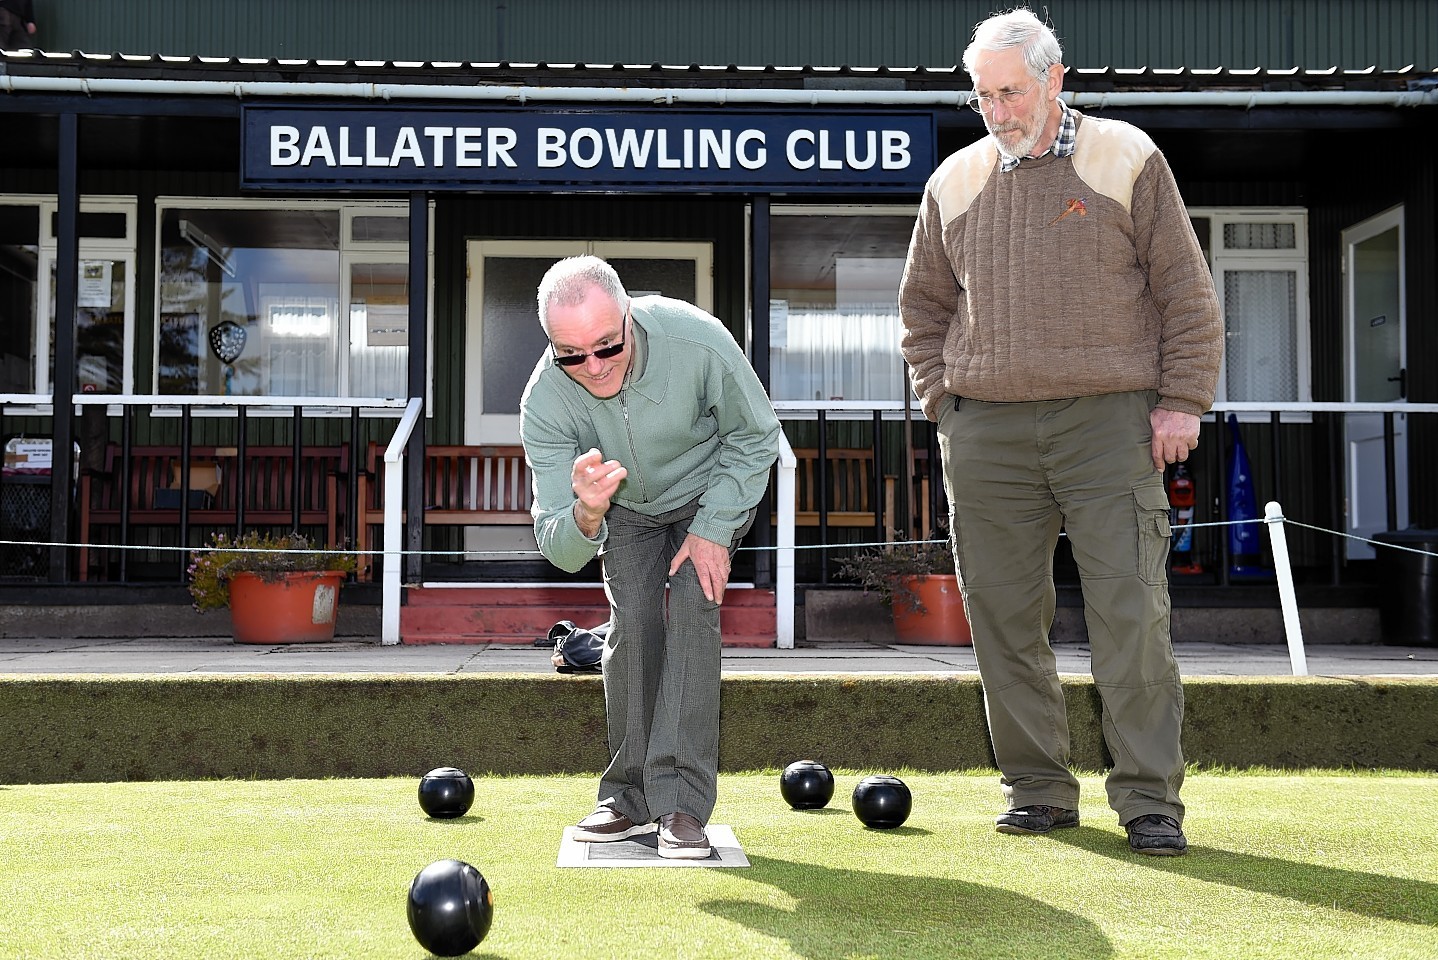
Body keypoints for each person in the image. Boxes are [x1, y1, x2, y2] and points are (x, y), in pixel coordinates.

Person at [898, 7, 1222, 857]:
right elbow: (922, 310)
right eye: (983, 96)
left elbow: (1187, 293)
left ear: (1055, 79)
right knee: (1004, 617)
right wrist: (943, 403)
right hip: (987, 432)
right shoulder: (954, 181)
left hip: (1110, 422)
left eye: (1011, 91)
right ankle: (1038, 789)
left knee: (1130, 613)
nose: (998, 110)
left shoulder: (1127, 156)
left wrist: (1182, 399)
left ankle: (1150, 799)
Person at [519, 255, 779, 859]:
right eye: (572, 354)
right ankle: (628, 797)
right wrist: (586, 512)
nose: (593, 366)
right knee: (634, 626)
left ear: (629, 316)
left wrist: (715, 528)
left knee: (693, 607)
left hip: (705, 492)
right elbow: (557, 546)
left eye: (607, 346)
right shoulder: (545, 402)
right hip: (624, 507)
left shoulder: (698, 340)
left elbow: (756, 435)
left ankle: (682, 803)